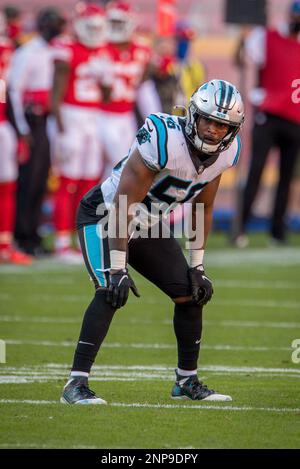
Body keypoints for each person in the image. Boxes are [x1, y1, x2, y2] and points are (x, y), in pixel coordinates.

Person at [60, 79, 245, 405]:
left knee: (191, 292)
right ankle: (75, 384)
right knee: (109, 290)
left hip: (147, 225)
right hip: (104, 215)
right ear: (193, 115)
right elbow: (122, 205)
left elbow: (203, 206)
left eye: (223, 125)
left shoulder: (226, 154)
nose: (215, 131)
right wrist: (118, 268)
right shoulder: (162, 138)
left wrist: (198, 265)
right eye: (209, 121)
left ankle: (186, 381)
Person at [234, 0, 300, 247]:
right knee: (256, 171)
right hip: (269, 116)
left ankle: (277, 230)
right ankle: (240, 225)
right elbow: (244, 58)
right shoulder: (267, 37)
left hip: (295, 118)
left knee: (286, 177)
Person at [49, 2, 108, 263]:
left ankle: (78, 238)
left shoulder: (103, 52)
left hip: (94, 118)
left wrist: (106, 79)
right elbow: (55, 94)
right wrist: (61, 131)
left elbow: (106, 96)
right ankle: (61, 241)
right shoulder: (67, 49)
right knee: (67, 181)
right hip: (71, 116)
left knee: (88, 182)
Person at [8, 7, 66, 256]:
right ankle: (22, 236)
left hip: (46, 120)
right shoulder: (28, 52)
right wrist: (21, 129)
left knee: (42, 179)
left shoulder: (56, 50)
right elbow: (14, 90)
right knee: (28, 180)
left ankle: (33, 235)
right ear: (43, 25)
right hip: (29, 121)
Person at [0, 11, 32, 265]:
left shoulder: (8, 49)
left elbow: (9, 91)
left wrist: (19, 130)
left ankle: (4, 244)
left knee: (7, 186)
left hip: (3, 124)